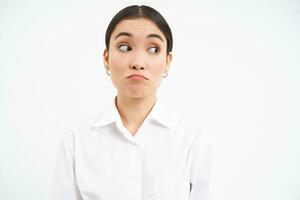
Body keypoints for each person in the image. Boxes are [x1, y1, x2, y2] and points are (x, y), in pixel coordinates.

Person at [51, 5, 214, 200]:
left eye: (153, 49)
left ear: (167, 61)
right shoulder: (76, 141)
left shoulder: (194, 141)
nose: (138, 62)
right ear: (106, 58)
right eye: (125, 47)